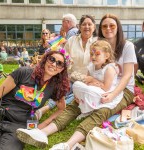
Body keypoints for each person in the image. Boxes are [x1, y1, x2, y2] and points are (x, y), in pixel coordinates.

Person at [16, 13, 137, 150]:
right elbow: (89, 73)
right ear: (100, 28)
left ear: (118, 27)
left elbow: (127, 76)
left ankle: (68, 144)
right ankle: (42, 133)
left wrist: (112, 95)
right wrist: (82, 91)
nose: (108, 28)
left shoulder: (127, 46)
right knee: (75, 104)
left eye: (112, 25)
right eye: (104, 26)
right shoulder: (99, 45)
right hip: (96, 86)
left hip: (123, 89)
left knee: (102, 111)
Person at [0, 50, 70, 150]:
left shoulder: (54, 87)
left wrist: (44, 124)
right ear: (45, 60)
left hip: (18, 127)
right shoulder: (24, 72)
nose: (54, 64)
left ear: (61, 69)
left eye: (59, 63)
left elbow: (61, 108)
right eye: (52, 59)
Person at [34, 15, 98, 121]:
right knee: (63, 90)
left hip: (87, 81)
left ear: (94, 27)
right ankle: (42, 110)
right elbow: (65, 61)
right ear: (79, 27)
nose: (86, 27)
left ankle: (45, 109)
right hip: (71, 76)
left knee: (74, 94)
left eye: (89, 24)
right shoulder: (72, 40)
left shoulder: (97, 43)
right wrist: (68, 74)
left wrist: (88, 80)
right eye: (84, 24)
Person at [73, 40, 123, 120]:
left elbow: (106, 88)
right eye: (91, 54)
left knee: (88, 90)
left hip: (104, 94)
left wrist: (92, 80)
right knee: (76, 84)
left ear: (106, 56)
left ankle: (87, 110)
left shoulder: (109, 69)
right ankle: (85, 103)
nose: (93, 57)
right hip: (92, 90)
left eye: (97, 54)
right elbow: (87, 83)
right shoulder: (91, 67)